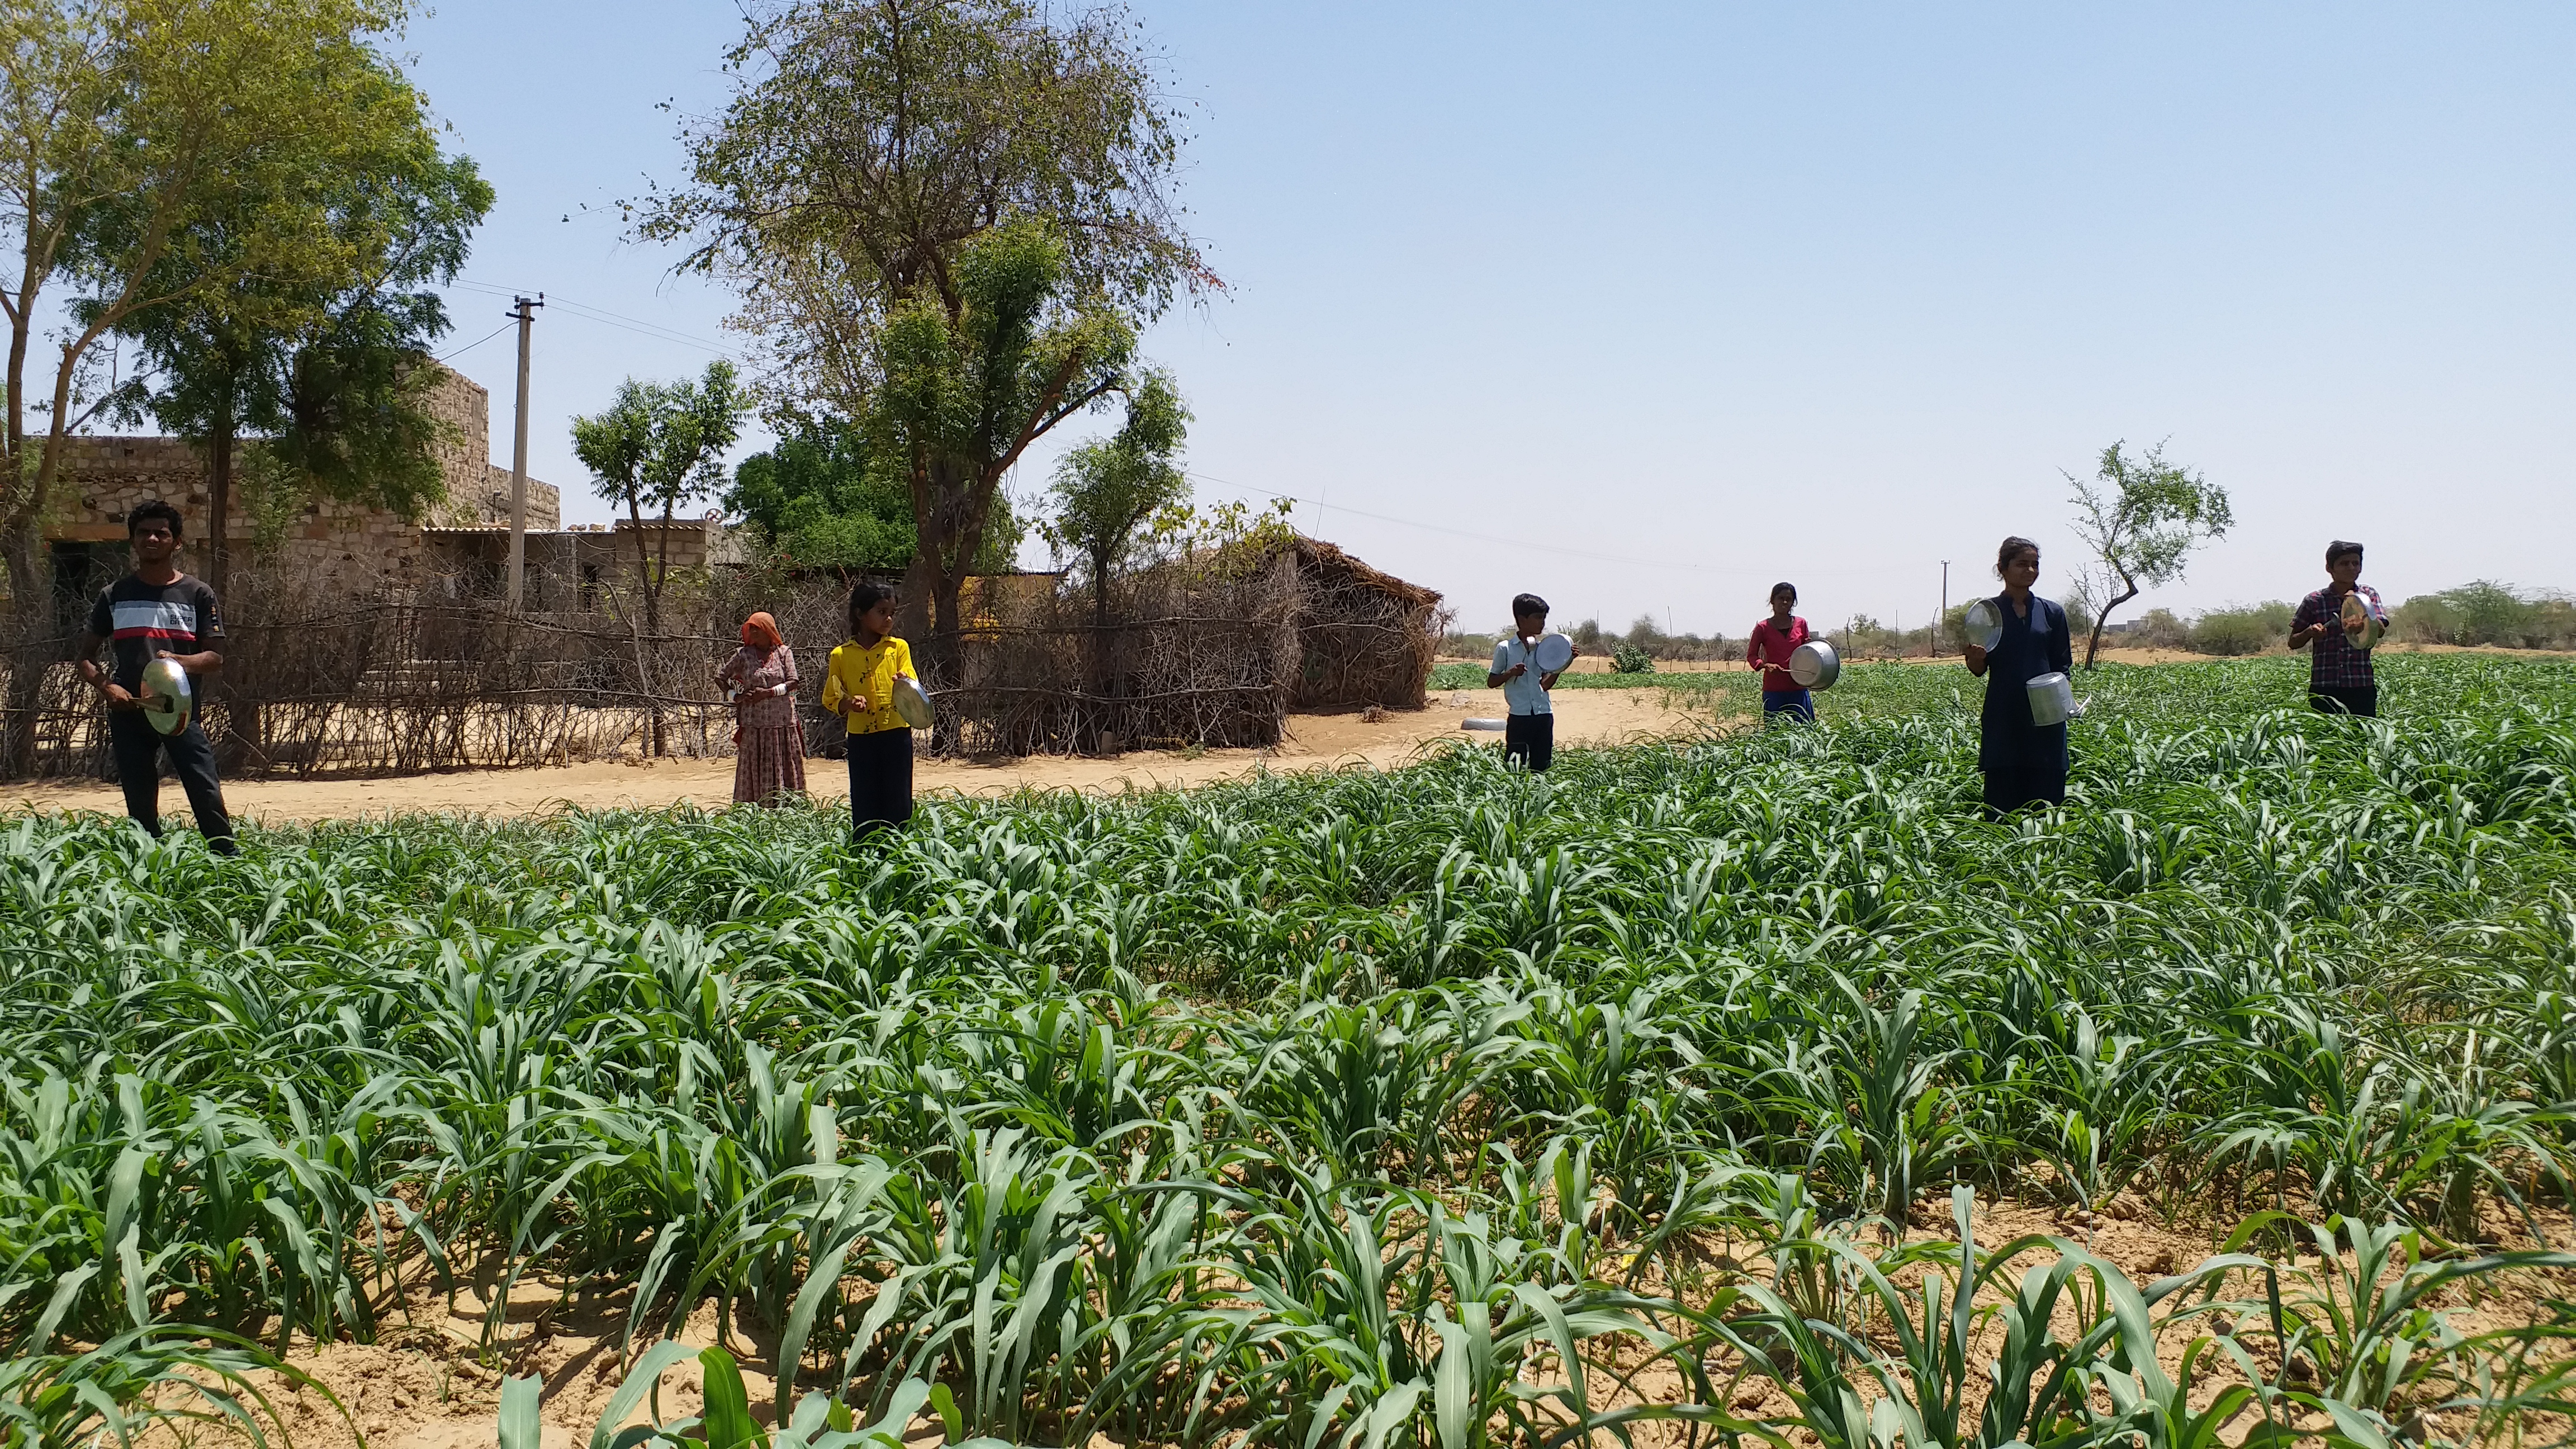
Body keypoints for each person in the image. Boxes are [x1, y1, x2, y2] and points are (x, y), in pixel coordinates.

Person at [70, 500, 238, 855]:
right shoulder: (114, 596)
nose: (152, 539)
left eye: (161, 533)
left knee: (205, 790)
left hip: (179, 713)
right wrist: (106, 686)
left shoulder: (197, 593)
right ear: (133, 541)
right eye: (144, 533)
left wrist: (180, 661)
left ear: (176, 542)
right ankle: (148, 866)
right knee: (140, 796)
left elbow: (215, 658)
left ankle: (228, 864)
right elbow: (85, 658)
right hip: (129, 712)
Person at [1963, 535, 2073, 816]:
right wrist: (1975, 661)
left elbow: (2062, 666)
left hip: (2046, 718)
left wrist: (2059, 701)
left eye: (2035, 565)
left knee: (2047, 804)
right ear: (2002, 568)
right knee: (2002, 805)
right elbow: (1979, 669)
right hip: (2004, 717)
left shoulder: (2052, 613)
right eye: (2022, 564)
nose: (2031, 571)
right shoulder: (1987, 613)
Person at [820, 583, 919, 839]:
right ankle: (865, 857)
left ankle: (898, 856)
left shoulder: (898, 648)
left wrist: (903, 682)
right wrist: (849, 704)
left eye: (892, 613)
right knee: (865, 800)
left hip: (896, 733)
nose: (888, 619)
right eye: (881, 611)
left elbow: (912, 685)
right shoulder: (841, 656)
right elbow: (832, 697)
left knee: (898, 800)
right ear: (860, 614)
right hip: (861, 739)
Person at [2289, 540, 2386, 718]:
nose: (2351, 568)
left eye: (2355, 563)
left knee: (2362, 741)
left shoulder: (2368, 595)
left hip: (2361, 685)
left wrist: (2360, 608)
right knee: (2325, 742)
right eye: (2344, 563)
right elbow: (2293, 642)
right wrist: (2310, 632)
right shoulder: (2314, 600)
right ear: (2329, 568)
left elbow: (2380, 629)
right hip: (2324, 686)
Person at [719, 611, 806, 806]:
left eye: (757, 629)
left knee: (783, 762)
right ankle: (752, 806)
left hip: (782, 723)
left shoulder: (784, 653)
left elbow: (793, 682)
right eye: (751, 629)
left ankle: (787, 806)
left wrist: (768, 693)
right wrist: (736, 696)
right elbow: (721, 676)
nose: (753, 633)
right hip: (754, 724)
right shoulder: (744, 655)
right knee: (755, 763)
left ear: (768, 631)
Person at [1487, 592, 1573, 771]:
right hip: (1520, 717)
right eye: (1537, 618)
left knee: (1542, 768)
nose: (1542, 623)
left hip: (1544, 715)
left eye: (1543, 618)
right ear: (1522, 619)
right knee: (1514, 768)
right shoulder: (1506, 649)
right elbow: (1492, 681)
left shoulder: (1543, 650)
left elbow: (1545, 685)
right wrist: (1511, 673)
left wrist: (1564, 663)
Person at [1745, 582, 1815, 722]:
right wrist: (1766, 665)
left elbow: (1808, 651)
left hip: (1798, 688)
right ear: (1772, 601)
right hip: (1774, 690)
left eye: (1789, 599)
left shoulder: (1801, 624)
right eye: (1780, 598)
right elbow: (1752, 656)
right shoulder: (1762, 628)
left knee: (1804, 732)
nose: (1784, 602)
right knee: (1775, 732)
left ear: (1793, 603)